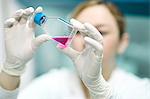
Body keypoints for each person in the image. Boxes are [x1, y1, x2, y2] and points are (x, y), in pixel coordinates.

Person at [0, 0, 150, 99]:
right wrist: (13, 68)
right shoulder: (54, 83)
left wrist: (100, 91)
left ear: (123, 42)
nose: (87, 40)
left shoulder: (140, 89)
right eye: (78, 32)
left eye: (101, 32)